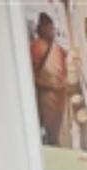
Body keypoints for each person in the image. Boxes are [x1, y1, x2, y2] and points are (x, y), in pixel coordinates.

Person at [30, 12, 69, 146]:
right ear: (41, 29)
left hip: (61, 95)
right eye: (49, 28)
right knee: (51, 131)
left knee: (57, 129)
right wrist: (51, 85)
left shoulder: (58, 49)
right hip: (46, 97)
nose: (52, 31)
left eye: (52, 28)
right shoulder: (35, 47)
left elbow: (65, 66)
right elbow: (33, 75)